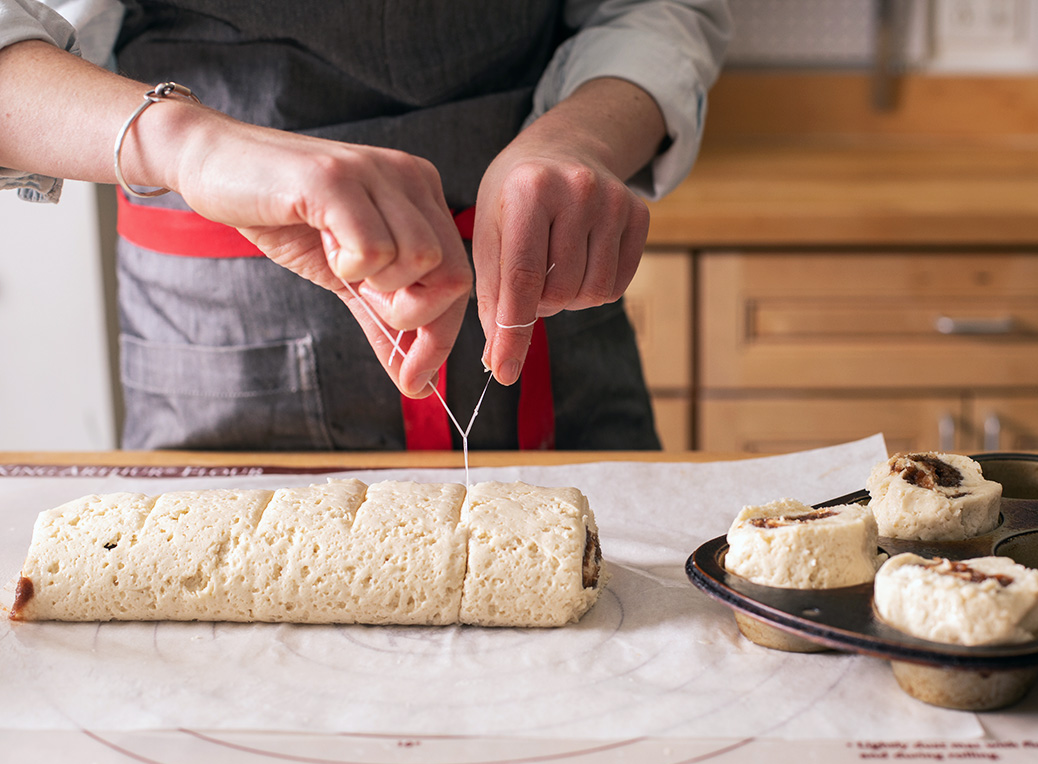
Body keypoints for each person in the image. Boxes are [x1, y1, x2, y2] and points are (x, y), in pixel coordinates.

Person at [0, 0, 731, 450]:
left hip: (547, 292)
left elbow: (656, 7)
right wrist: (190, 143)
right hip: (218, 343)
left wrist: (581, 139)